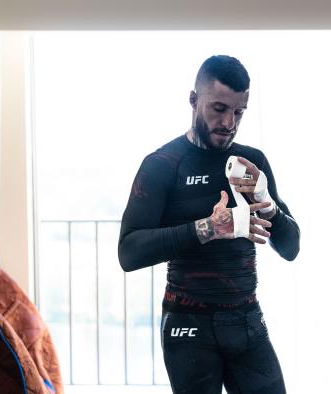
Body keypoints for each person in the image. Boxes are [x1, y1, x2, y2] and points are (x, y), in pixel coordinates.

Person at [117, 55, 300, 394]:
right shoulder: (163, 165)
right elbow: (128, 253)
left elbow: (291, 248)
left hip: (246, 318)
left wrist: (270, 206)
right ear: (193, 100)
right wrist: (209, 228)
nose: (229, 122)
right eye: (219, 108)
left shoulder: (251, 162)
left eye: (239, 112)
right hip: (187, 324)